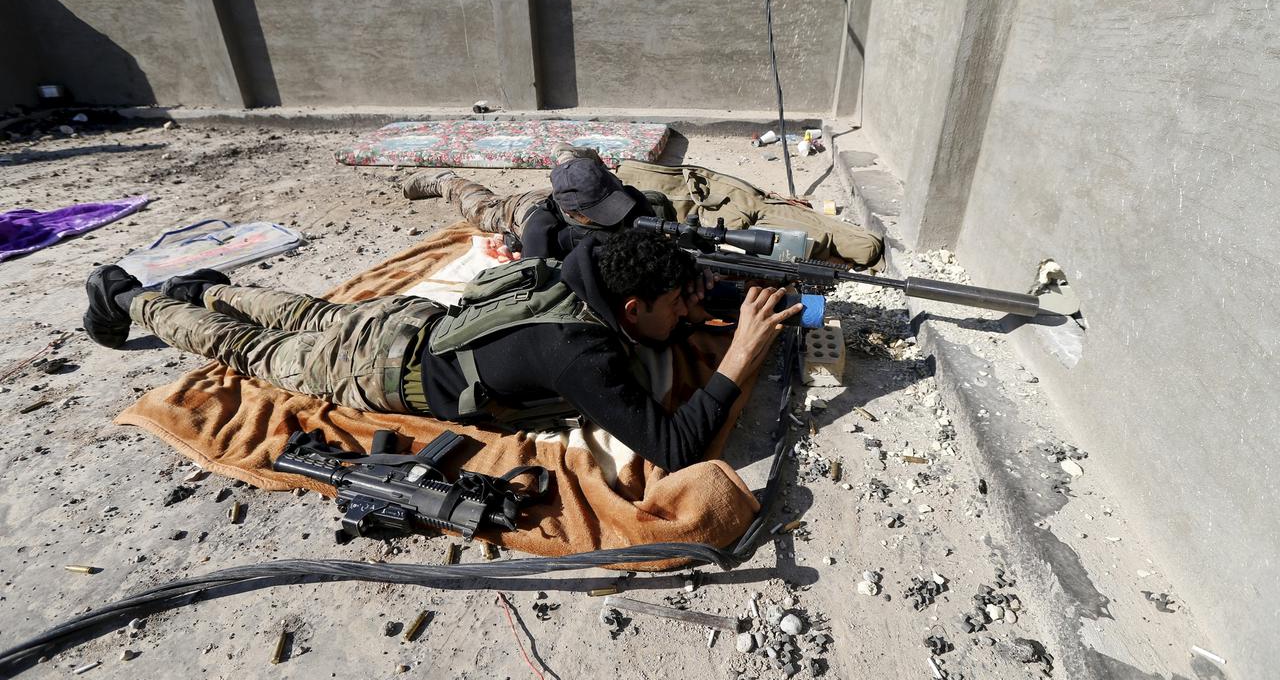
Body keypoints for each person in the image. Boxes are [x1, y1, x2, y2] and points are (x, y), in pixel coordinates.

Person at [83, 229, 802, 472]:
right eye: (674, 308)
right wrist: (738, 355)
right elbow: (675, 449)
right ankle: (131, 298)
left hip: (411, 319)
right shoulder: (582, 355)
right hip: (382, 366)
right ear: (632, 308)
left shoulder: (590, 268)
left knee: (310, 313)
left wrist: (704, 302)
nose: (685, 318)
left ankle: (211, 286)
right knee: (257, 351)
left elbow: (661, 316)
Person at [402, 145, 883, 267]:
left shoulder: (635, 201)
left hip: (576, 183)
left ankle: (576, 166)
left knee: (573, 157)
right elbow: (536, 280)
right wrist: (511, 251)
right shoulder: (538, 228)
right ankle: (439, 177)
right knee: (476, 205)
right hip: (521, 209)